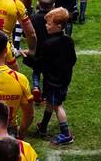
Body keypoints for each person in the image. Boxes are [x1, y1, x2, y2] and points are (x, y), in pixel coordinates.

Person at [27, 8, 77, 144]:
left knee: (57, 106)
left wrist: (27, 58)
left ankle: (66, 134)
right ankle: (43, 126)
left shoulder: (48, 44)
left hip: (54, 81)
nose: (46, 26)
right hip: (63, 79)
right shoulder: (68, 41)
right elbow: (73, 59)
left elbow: (40, 64)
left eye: (49, 24)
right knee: (50, 103)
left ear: (58, 26)